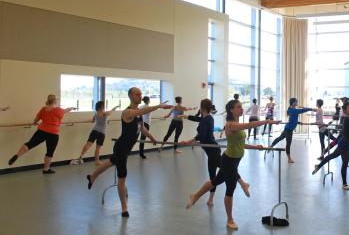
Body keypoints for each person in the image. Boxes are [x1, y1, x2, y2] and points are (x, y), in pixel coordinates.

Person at [186, 99, 280, 230]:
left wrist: (254, 146)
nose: (241, 109)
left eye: (242, 107)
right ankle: (230, 219)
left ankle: (195, 196)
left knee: (215, 181)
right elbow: (249, 126)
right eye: (239, 107)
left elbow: (240, 144)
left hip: (234, 160)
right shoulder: (230, 125)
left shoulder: (236, 123)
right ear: (231, 110)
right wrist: (267, 121)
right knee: (230, 189)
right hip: (229, 161)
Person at [86, 87, 172, 217]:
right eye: (137, 94)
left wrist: (151, 137)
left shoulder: (138, 114)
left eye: (141, 94)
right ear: (131, 96)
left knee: (110, 162)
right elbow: (142, 111)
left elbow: (141, 129)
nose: (140, 96)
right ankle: (124, 208)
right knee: (122, 177)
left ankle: (92, 176)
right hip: (121, 148)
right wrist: (159, 106)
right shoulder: (127, 112)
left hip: (125, 149)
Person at [180, 99, 251, 207]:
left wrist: (189, 141)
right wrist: (185, 117)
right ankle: (210, 200)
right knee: (214, 177)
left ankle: (242, 183)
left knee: (228, 169)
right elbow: (198, 119)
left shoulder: (208, 119)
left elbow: (201, 136)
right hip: (210, 152)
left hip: (213, 150)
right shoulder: (205, 118)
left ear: (202, 108)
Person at [8, 95, 75, 173]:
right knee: (50, 152)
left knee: (30, 144)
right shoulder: (59, 110)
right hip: (53, 133)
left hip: (41, 131)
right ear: (55, 101)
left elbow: (36, 119)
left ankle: (17, 155)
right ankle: (46, 169)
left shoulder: (44, 109)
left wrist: (34, 123)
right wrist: (71, 108)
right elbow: (66, 110)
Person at [313, 103, 349, 190]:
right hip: (344, 144)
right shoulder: (347, 119)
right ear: (345, 111)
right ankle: (344, 183)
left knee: (340, 161)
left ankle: (319, 166)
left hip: (346, 143)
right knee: (339, 160)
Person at [269, 97, 316, 164]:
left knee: (280, 138)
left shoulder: (293, 109)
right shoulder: (292, 110)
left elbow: (293, 119)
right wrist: (311, 109)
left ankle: (271, 146)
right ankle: (289, 159)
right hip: (289, 129)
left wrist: (299, 122)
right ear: (293, 103)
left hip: (288, 128)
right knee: (288, 144)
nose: (297, 103)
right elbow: (302, 110)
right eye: (296, 102)